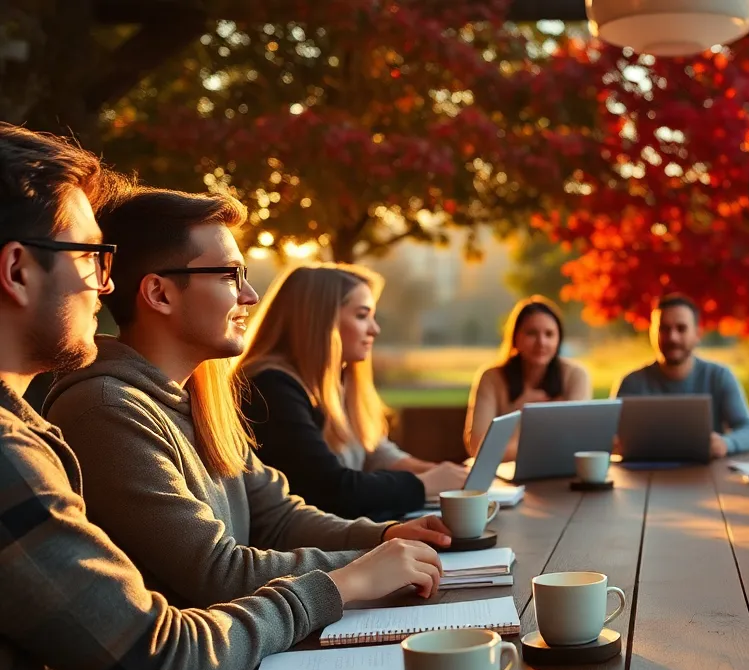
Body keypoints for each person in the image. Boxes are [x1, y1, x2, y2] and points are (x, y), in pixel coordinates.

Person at [0, 123, 441, 670]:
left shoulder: (175, 403)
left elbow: (276, 512)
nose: (105, 282)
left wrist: (385, 542)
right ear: (16, 269)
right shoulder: (78, 419)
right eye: (91, 257)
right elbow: (164, 653)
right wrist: (343, 583)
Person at [43, 184, 453, 610]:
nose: (250, 296)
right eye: (228, 275)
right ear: (159, 293)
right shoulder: (107, 411)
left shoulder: (200, 397)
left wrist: (384, 537)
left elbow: (278, 518)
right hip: (219, 668)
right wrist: (364, 566)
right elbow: (218, 574)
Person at [237, 263, 468, 522]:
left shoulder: (336, 379)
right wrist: (423, 484)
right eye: (361, 316)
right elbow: (331, 490)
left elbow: (374, 452)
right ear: (320, 320)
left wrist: (443, 475)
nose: (374, 330)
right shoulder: (270, 388)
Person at [613, 294, 749, 457]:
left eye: (681, 328)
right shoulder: (631, 383)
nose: (672, 337)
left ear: (697, 333)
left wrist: (726, 443)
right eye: (664, 329)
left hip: (706, 477)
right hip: (641, 477)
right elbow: (609, 435)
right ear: (651, 333)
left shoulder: (719, 377)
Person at [465, 296, 592, 461]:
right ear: (515, 338)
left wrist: (506, 447)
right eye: (531, 333)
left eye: (549, 334)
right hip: (500, 476)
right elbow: (478, 446)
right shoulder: (491, 378)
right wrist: (519, 412)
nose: (541, 342)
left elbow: (579, 441)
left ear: (559, 339)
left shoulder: (576, 375)